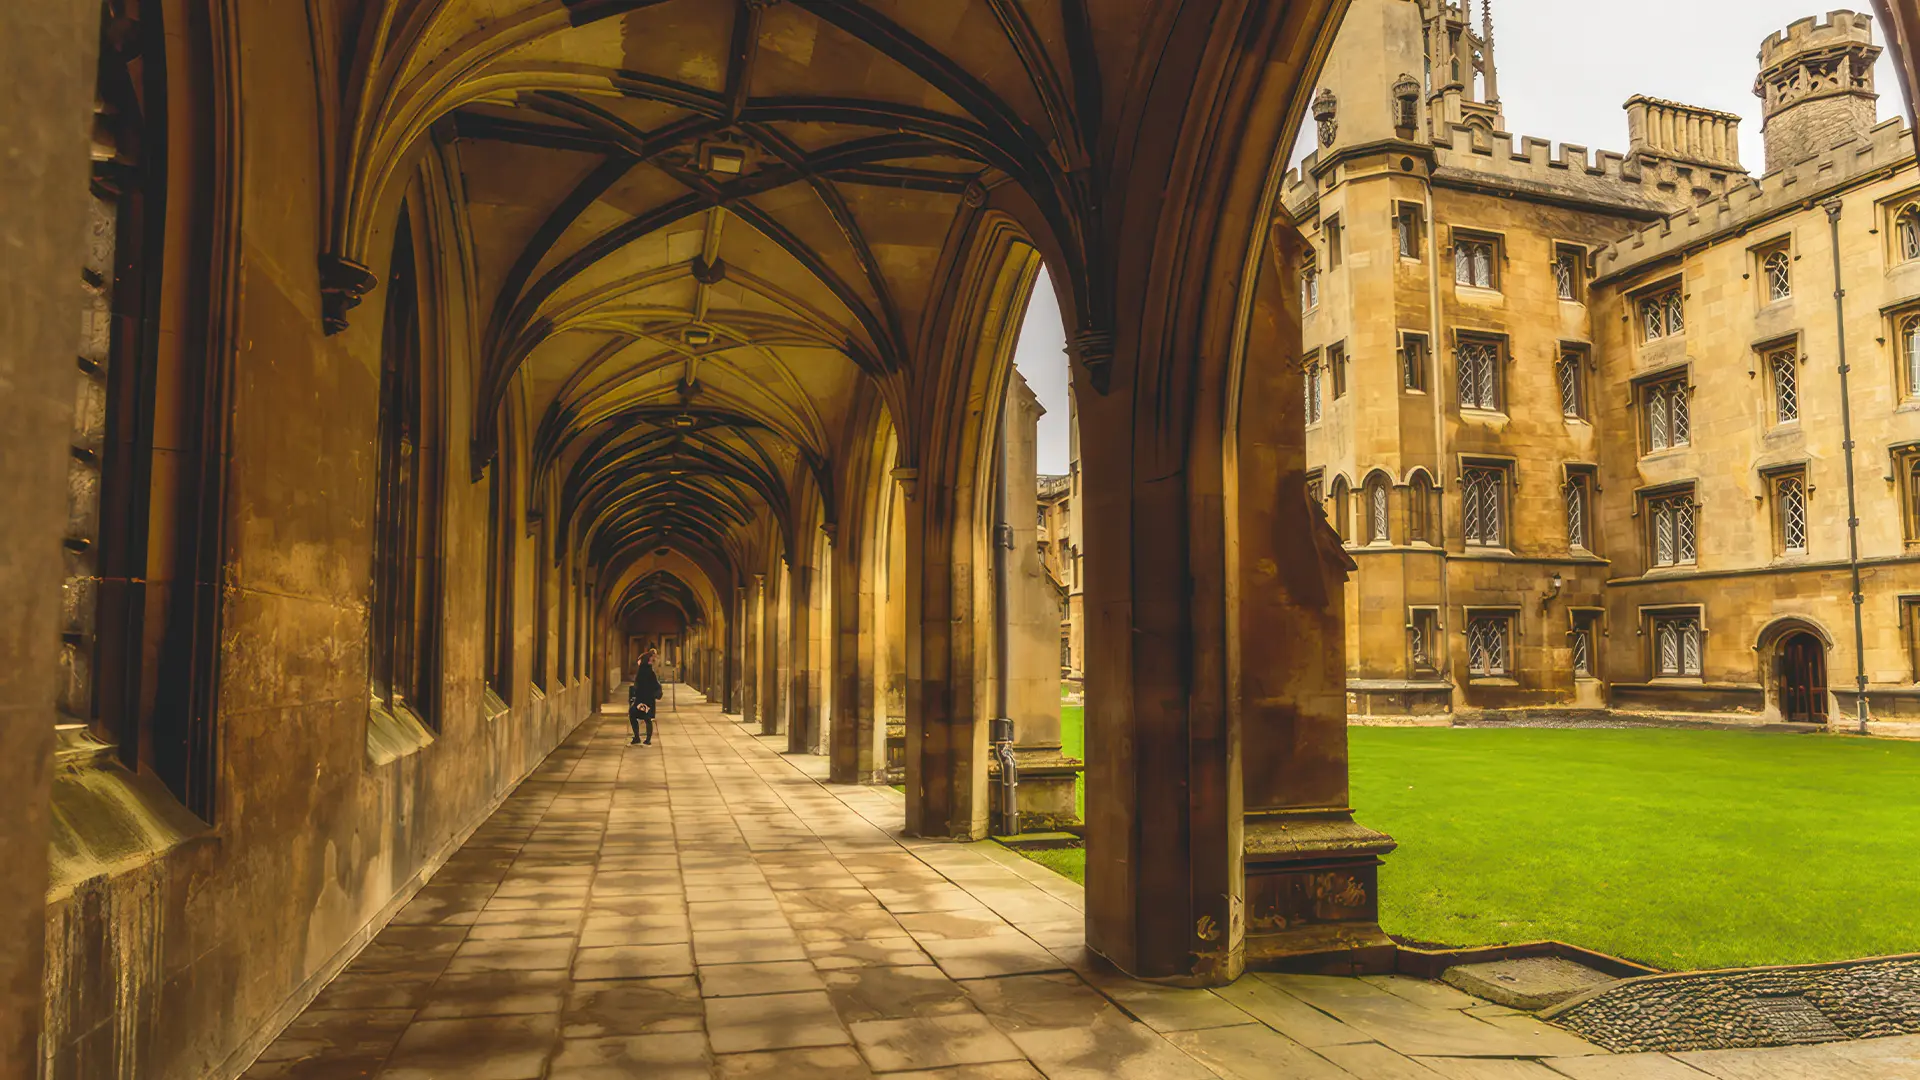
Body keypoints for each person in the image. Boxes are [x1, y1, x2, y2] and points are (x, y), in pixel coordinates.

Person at [628, 649, 663, 745]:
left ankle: (640, 738)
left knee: (637, 715)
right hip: (646, 700)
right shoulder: (647, 672)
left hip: (644, 700)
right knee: (644, 717)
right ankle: (645, 739)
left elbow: (639, 685)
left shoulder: (644, 672)